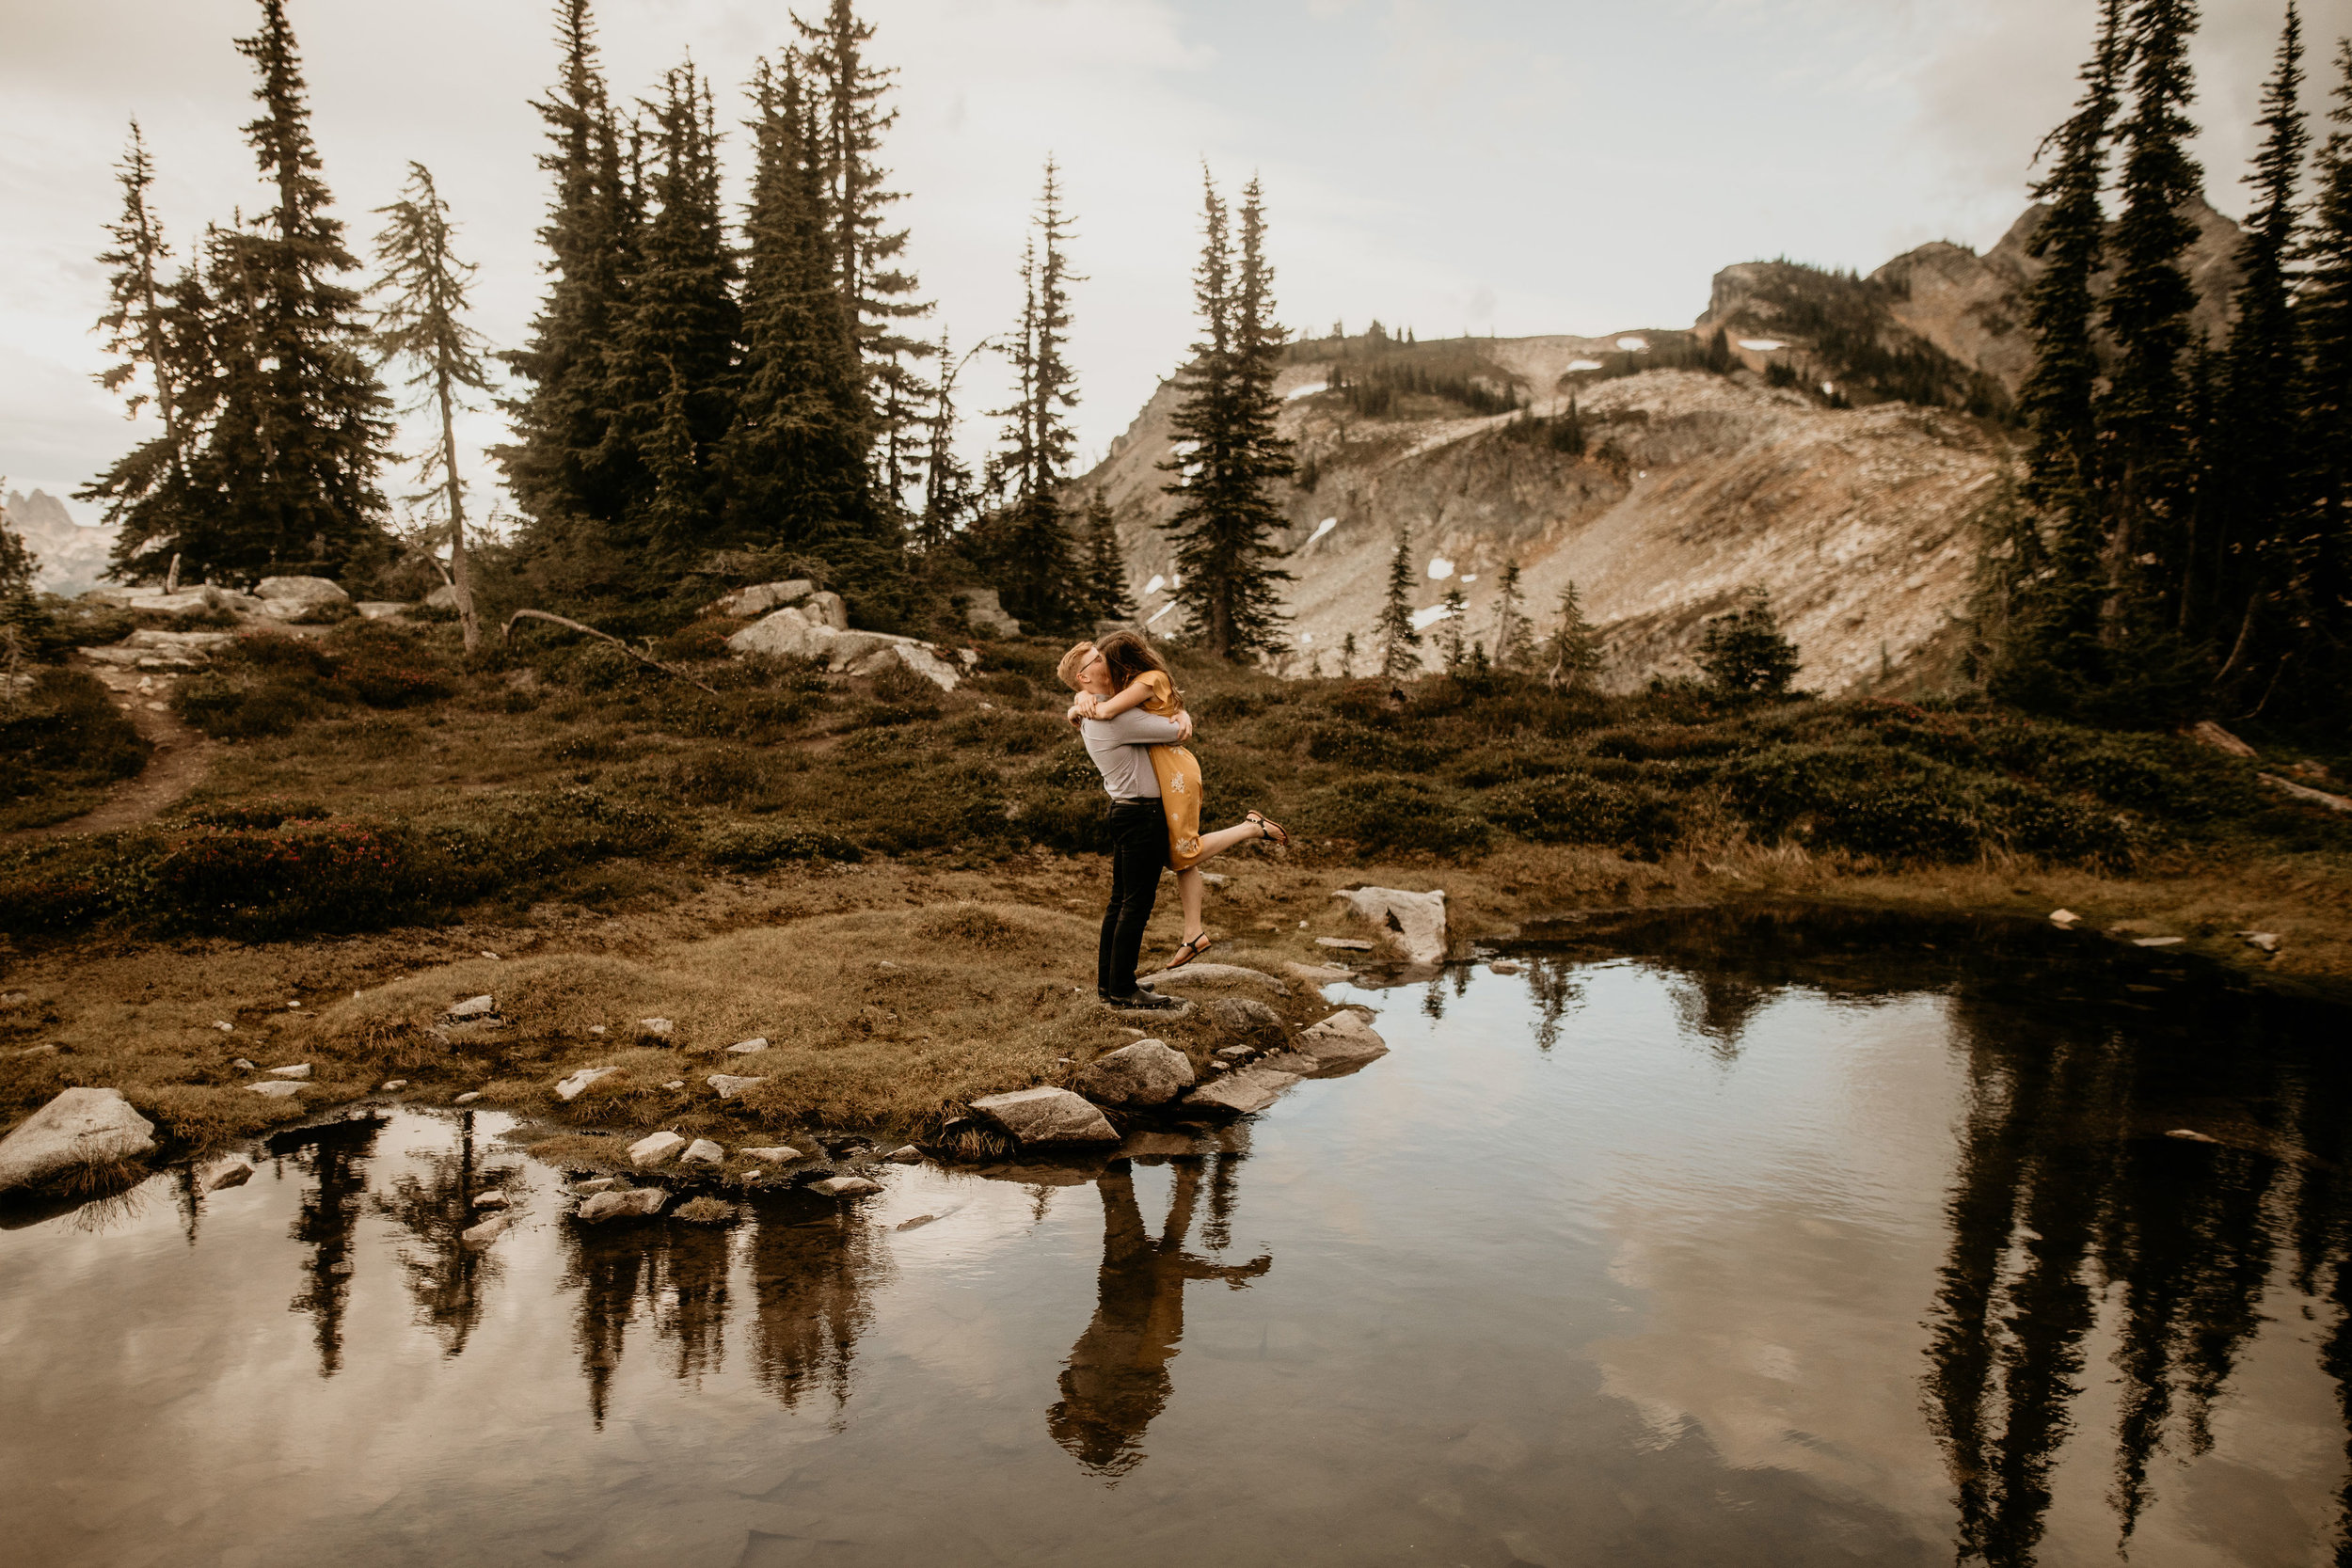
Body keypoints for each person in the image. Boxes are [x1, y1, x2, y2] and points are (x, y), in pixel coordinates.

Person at [1061, 638, 1287, 999]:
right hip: (1142, 814)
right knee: (1135, 905)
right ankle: (1122, 989)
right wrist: (1181, 715)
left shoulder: (1097, 711)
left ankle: (1110, 985)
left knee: (1119, 902)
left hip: (1124, 811)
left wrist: (1076, 705)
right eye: (1098, 659)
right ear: (1085, 677)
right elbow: (1177, 731)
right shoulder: (1116, 717)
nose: (1107, 660)